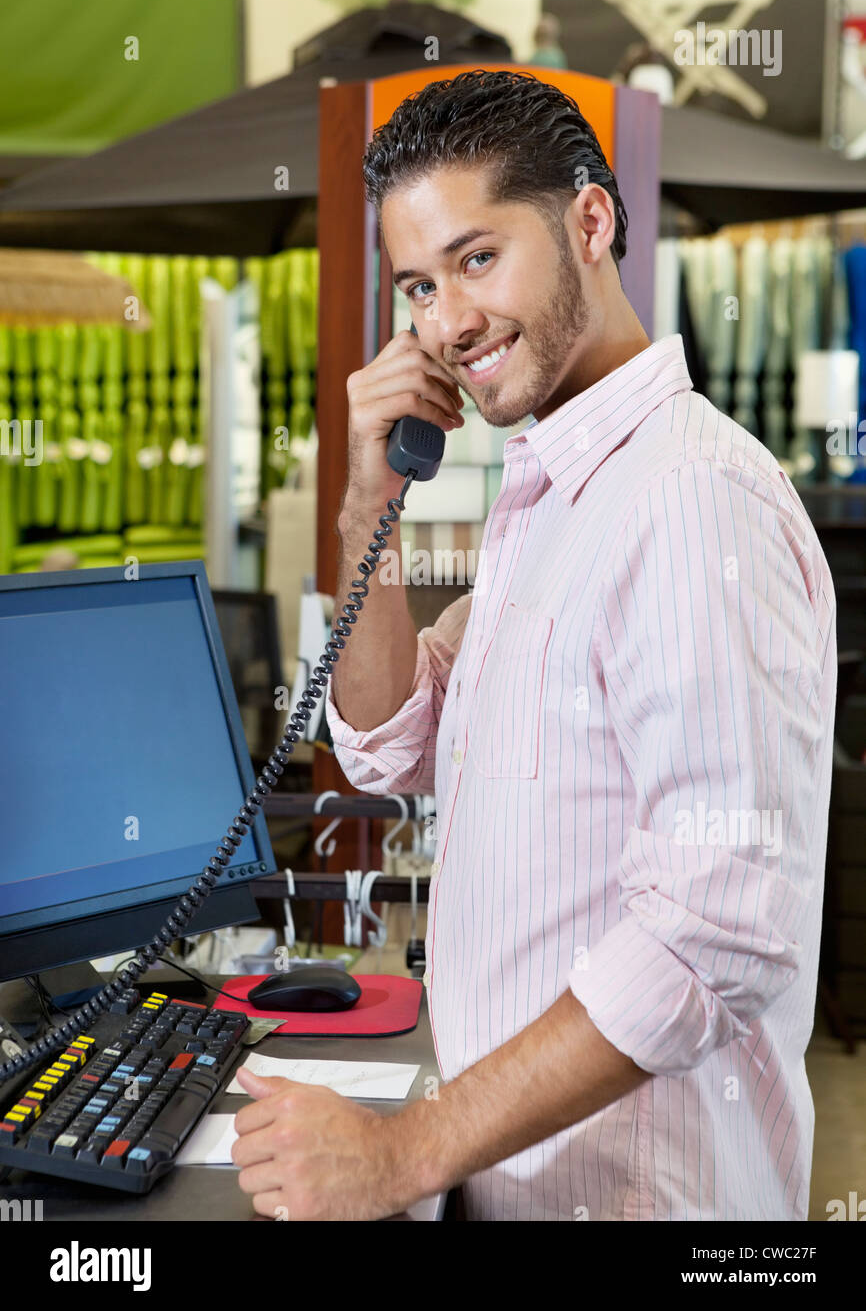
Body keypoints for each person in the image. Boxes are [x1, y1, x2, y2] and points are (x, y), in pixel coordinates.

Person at [232, 69, 837, 1221]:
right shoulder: (551, 494)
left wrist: (404, 1151)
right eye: (416, 283)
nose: (446, 321)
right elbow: (383, 740)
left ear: (590, 222)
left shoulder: (686, 502)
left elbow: (711, 933)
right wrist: (369, 511)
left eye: (476, 258)